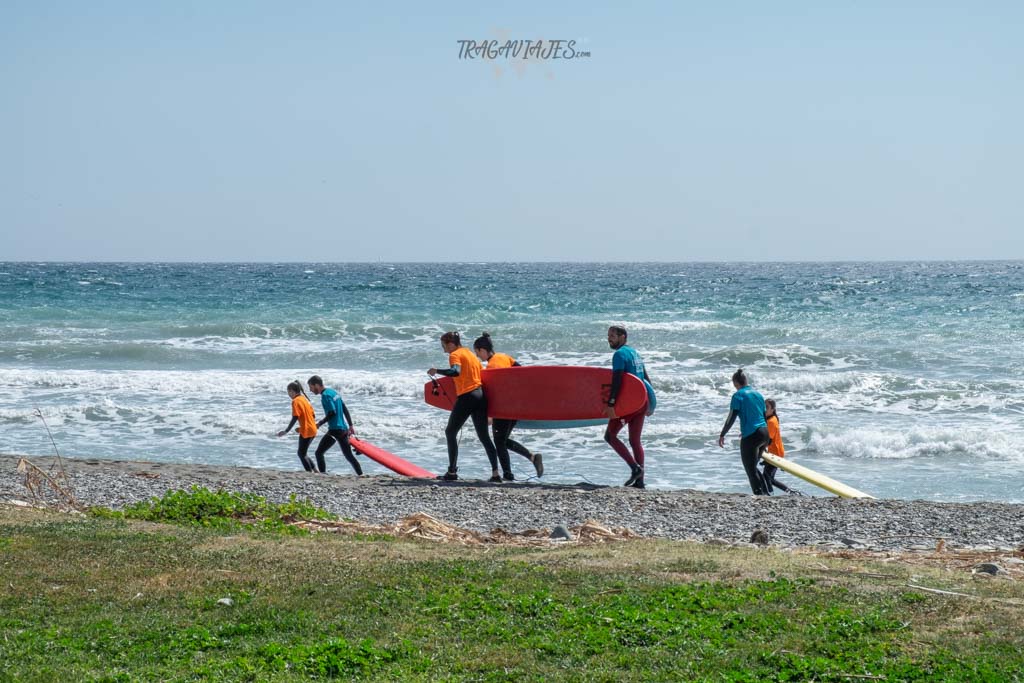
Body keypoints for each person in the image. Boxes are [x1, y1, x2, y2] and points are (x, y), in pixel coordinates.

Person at [428, 331, 500, 481]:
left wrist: (437, 371)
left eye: (444, 346)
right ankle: (496, 474)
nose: (444, 350)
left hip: (467, 397)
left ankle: (452, 472)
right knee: (484, 437)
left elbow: (455, 372)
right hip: (480, 395)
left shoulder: (455, 354)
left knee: (450, 432)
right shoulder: (470, 354)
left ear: (451, 344)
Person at [473, 332, 544, 479]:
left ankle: (508, 474)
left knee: (499, 441)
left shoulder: (492, 366)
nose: (478, 357)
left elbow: (495, 392)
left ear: (482, 350)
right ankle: (532, 457)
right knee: (502, 440)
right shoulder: (504, 357)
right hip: (515, 406)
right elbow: (521, 372)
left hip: (503, 408)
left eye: (477, 353)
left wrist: (491, 415)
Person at [604, 325, 655, 489]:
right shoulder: (635, 353)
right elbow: (646, 379)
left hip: (629, 405)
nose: (609, 338)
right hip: (641, 401)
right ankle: (640, 481)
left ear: (623, 337)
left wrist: (611, 403)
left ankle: (635, 468)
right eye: (608, 335)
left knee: (610, 436)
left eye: (612, 335)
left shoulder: (619, 355)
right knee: (635, 441)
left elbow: (617, 380)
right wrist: (651, 402)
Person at [718, 368, 770, 495]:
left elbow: (731, 417)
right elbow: (763, 417)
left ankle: (760, 496)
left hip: (752, 436)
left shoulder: (738, 395)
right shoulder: (758, 394)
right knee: (753, 467)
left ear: (735, 383)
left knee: (750, 471)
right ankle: (766, 494)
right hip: (764, 433)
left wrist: (722, 434)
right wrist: (766, 440)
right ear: (746, 381)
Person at [306, 375, 363, 476]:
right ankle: (360, 474)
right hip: (343, 429)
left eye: (311, 387)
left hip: (335, 430)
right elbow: (344, 408)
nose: (310, 390)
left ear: (316, 385)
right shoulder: (333, 392)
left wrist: (320, 423)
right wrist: (350, 425)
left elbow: (332, 412)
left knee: (319, 453)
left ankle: (323, 475)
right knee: (348, 456)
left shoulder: (325, 396)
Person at [276, 380, 318, 472]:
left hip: (306, 430)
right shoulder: (304, 399)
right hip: (313, 429)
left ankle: (310, 472)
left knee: (301, 453)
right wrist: (302, 426)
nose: (289, 395)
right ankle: (315, 470)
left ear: (292, 391)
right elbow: (313, 416)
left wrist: (286, 431)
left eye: (288, 392)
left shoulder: (296, 401)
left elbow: (295, 417)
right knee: (303, 453)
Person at [760, 398, 797, 494]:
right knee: (769, 478)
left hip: (776, 453)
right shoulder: (769, 418)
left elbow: (769, 440)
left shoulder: (772, 421)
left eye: (767, 407)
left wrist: (760, 449)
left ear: (772, 409)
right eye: (763, 407)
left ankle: (770, 494)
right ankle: (790, 491)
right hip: (773, 452)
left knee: (767, 477)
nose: (764, 409)